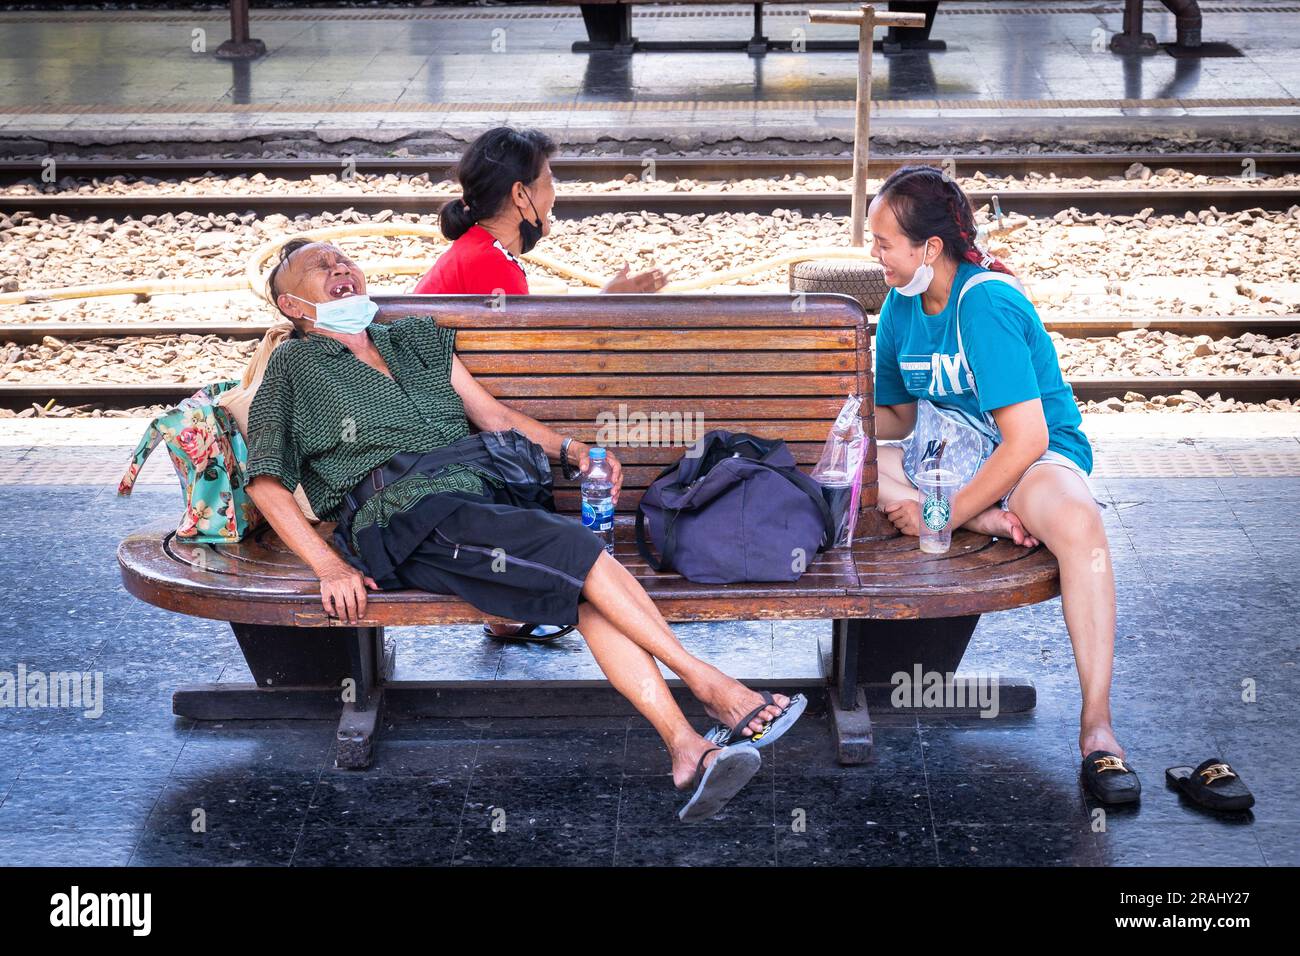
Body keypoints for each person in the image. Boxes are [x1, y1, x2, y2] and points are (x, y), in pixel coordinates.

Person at [243, 238, 805, 821]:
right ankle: (712, 685)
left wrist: (575, 449)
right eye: (320, 267)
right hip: (401, 519)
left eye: (344, 260)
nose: (340, 269)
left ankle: (688, 749)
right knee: (578, 551)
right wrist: (328, 565)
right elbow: (265, 479)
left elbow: (495, 417)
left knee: (586, 592)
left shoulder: (410, 338)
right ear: (292, 306)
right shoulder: (293, 367)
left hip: (478, 500)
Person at [867, 165, 1140, 806]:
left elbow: (1027, 440)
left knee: (1078, 525)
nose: (873, 254)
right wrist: (839, 410)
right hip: (944, 451)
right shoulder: (900, 304)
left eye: (882, 242)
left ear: (928, 247)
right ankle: (980, 518)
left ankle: (1096, 723)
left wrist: (942, 515)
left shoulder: (985, 302)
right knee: (859, 462)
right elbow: (899, 418)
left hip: (1021, 458)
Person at [414, 126, 669, 643]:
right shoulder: (490, 265)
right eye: (549, 179)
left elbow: (528, 346)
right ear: (520, 194)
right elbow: (535, 370)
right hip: (457, 450)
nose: (555, 193)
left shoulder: (479, 253)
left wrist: (601, 301)